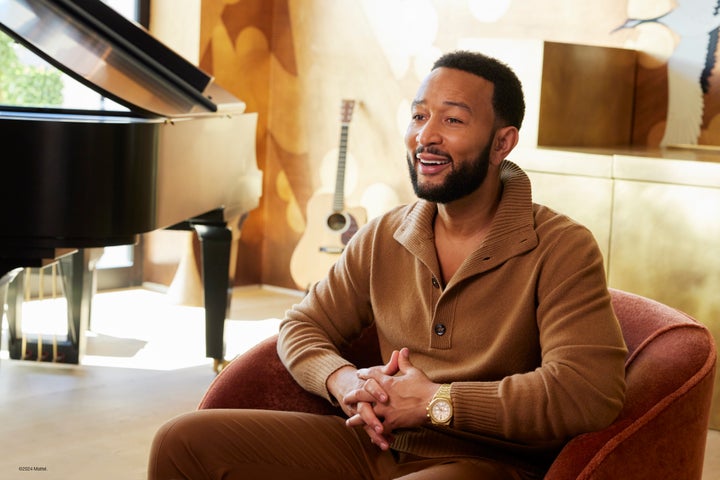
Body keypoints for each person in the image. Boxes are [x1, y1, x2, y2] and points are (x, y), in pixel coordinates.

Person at [148, 50, 627, 480]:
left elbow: (586, 392)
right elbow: (302, 324)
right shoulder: (383, 234)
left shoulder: (563, 247)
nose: (426, 136)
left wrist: (436, 403)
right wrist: (345, 381)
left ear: (503, 143)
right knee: (183, 442)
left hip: (484, 462)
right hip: (375, 444)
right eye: (418, 115)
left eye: (453, 121)